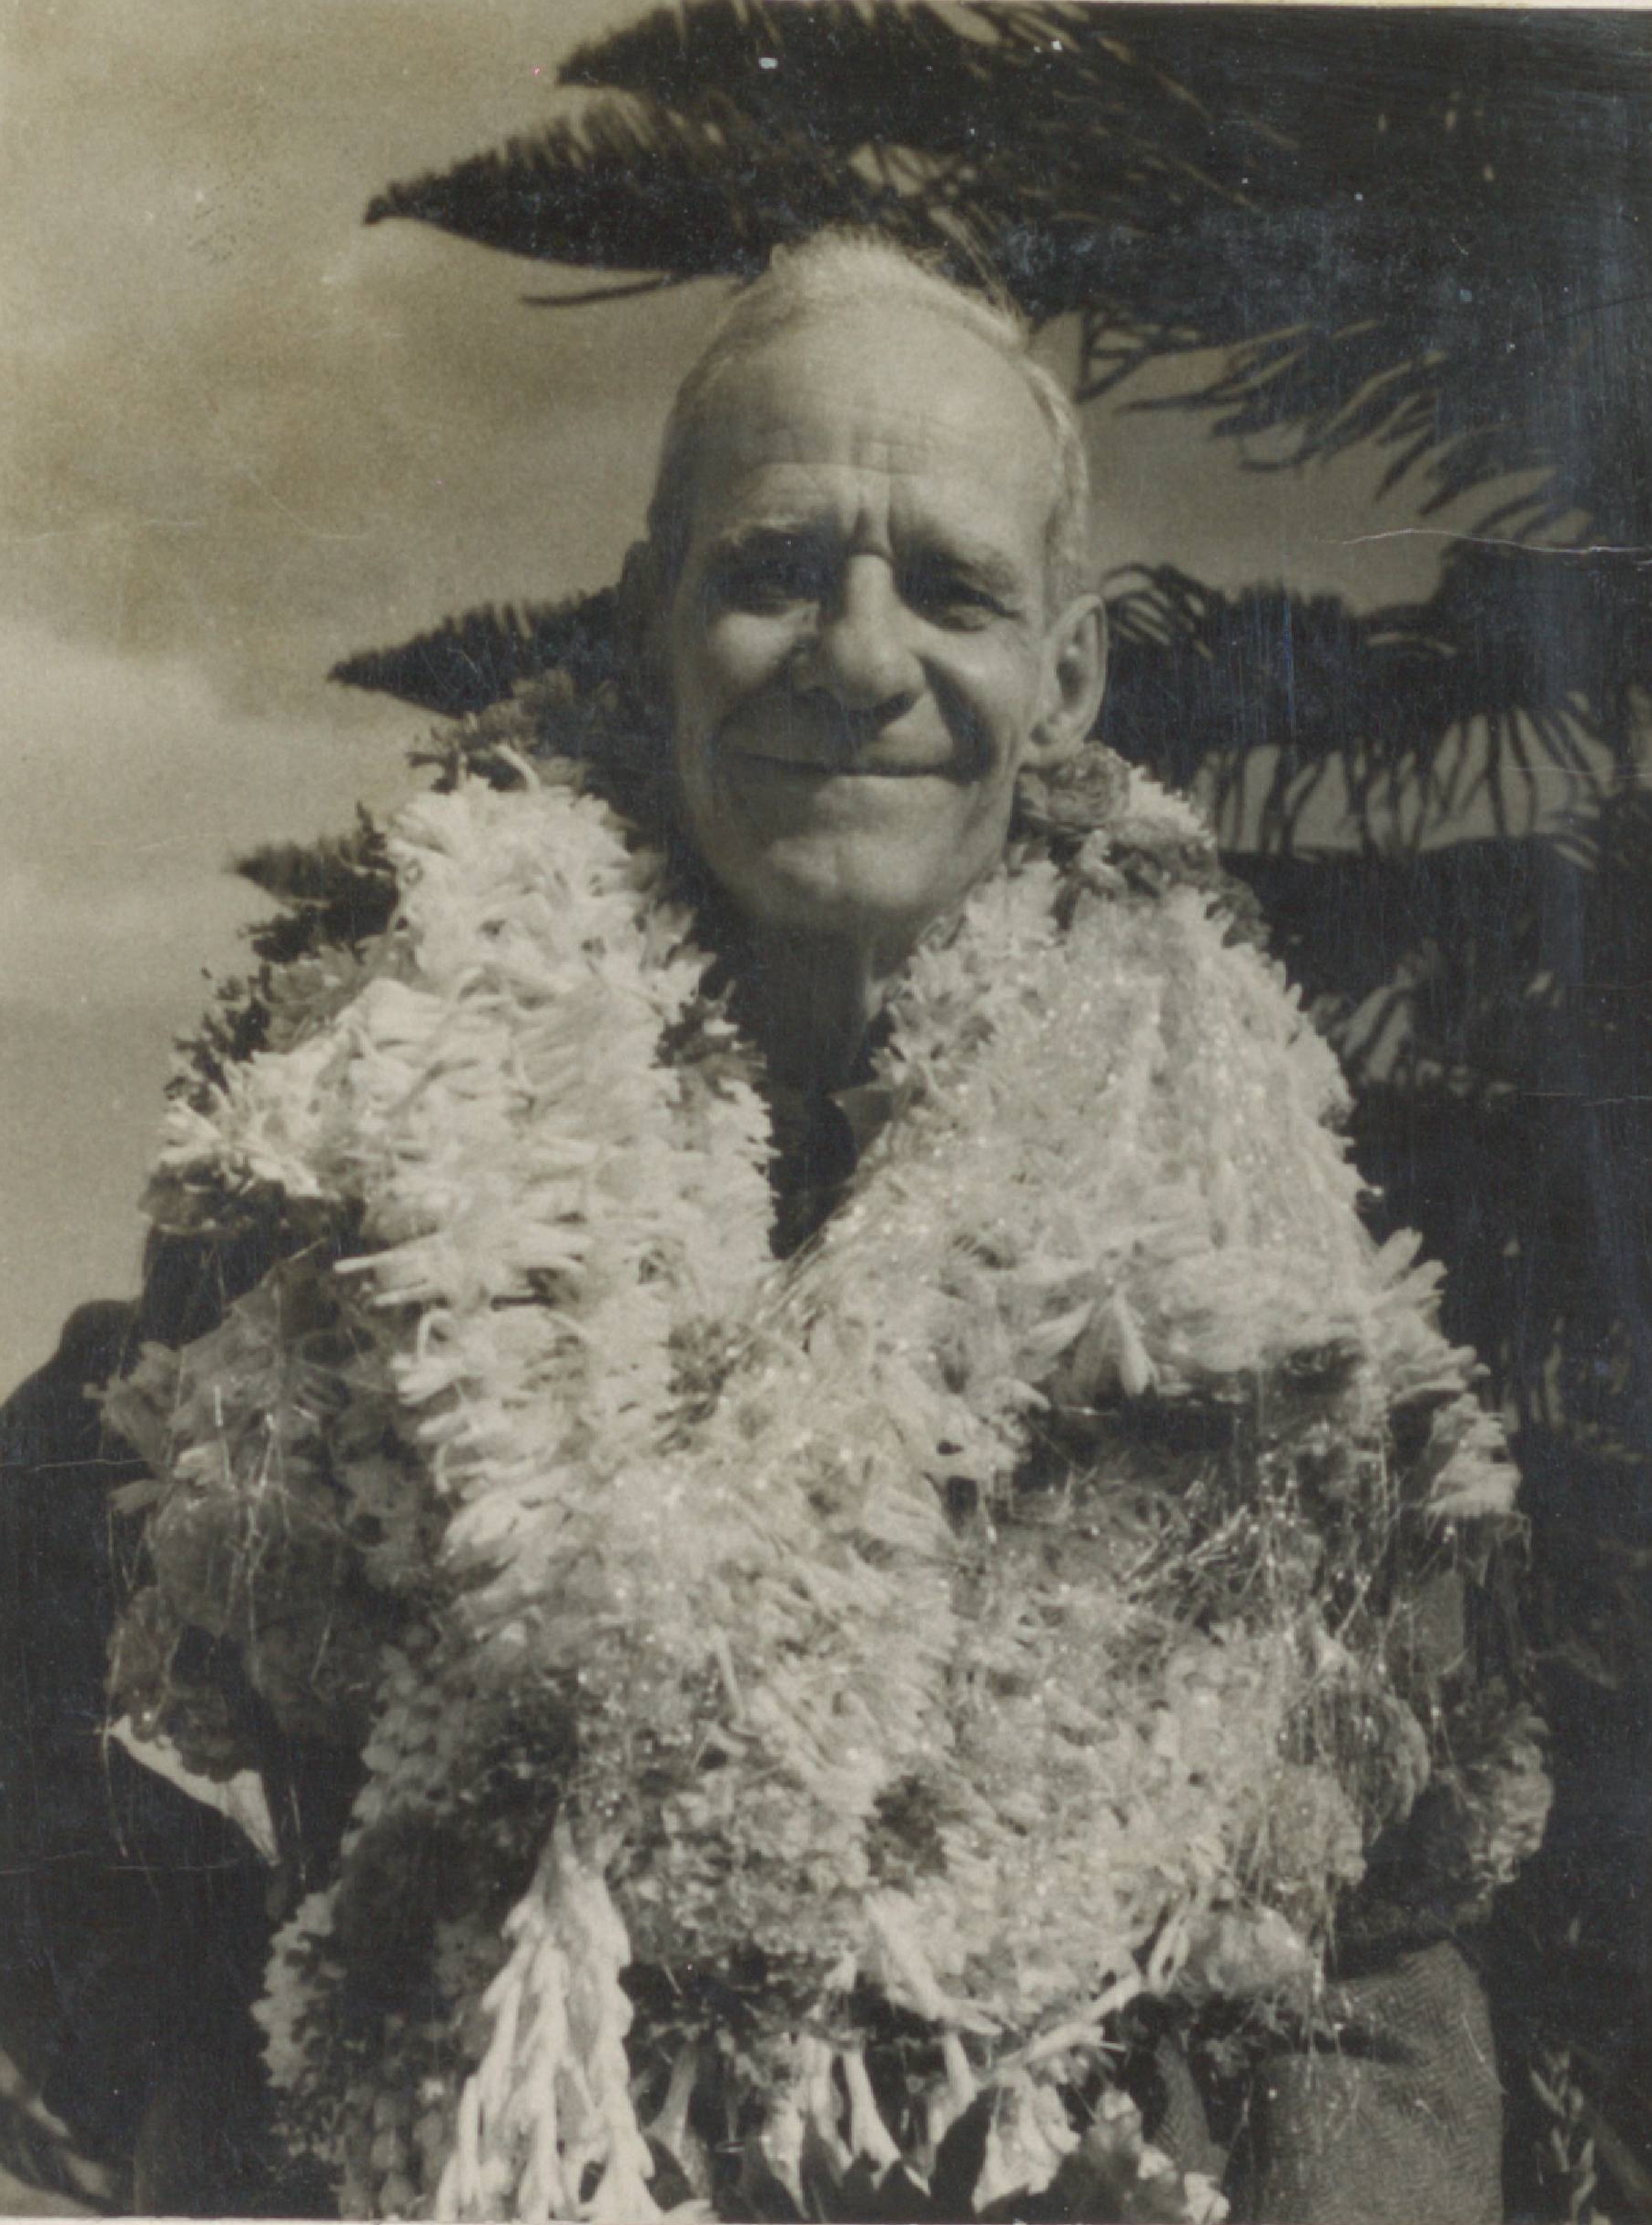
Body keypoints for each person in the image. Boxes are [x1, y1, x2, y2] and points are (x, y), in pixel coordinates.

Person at [2, 234, 1544, 2221]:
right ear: (652, 621)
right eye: (771, 569)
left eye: (955, 588)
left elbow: (1401, 1914)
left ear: (1062, 670)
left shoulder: (1265, 1259)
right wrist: (232, 2093)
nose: (859, 653)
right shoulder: (346, 1174)